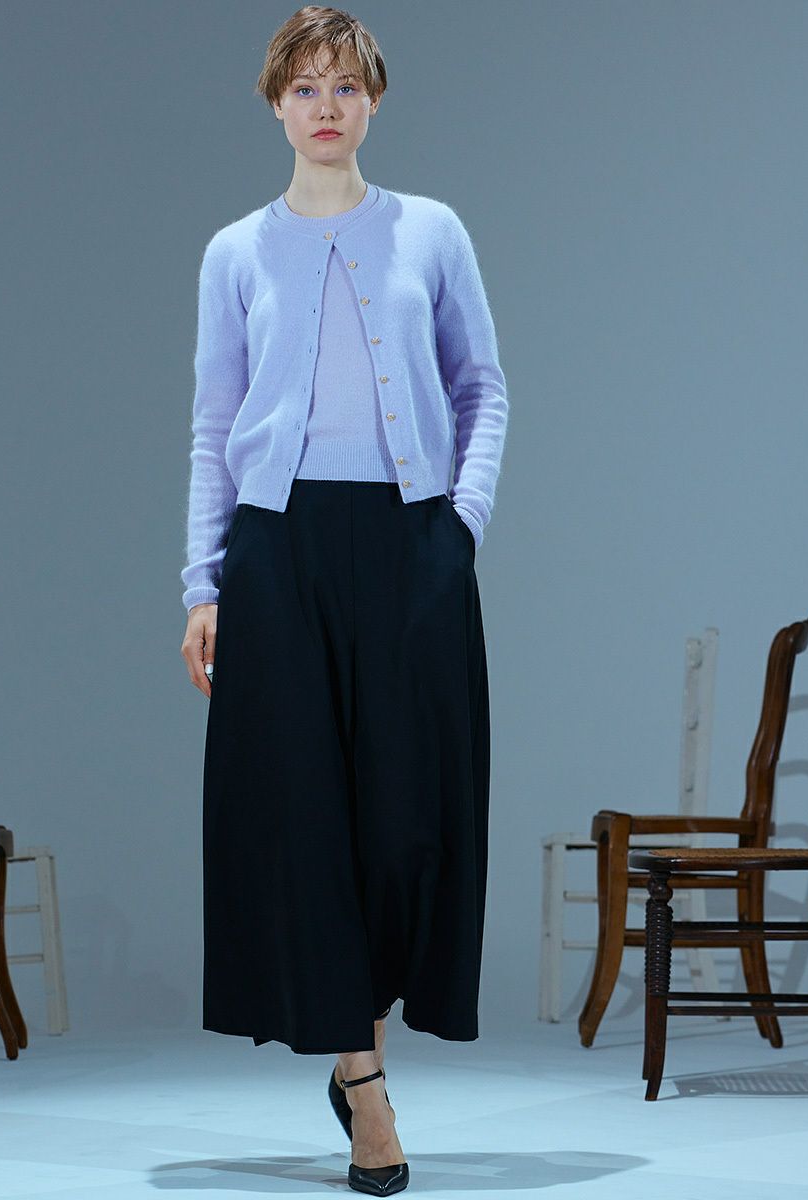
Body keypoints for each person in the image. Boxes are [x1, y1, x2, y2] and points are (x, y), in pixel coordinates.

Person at [180, 7, 508, 1195]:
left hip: (411, 543)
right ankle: (363, 1085)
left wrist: (458, 529)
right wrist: (203, 582)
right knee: (303, 817)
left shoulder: (431, 231)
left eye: (345, 86)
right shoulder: (235, 252)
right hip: (276, 550)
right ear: (276, 103)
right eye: (305, 87)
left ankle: (363, 1043)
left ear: (373, 101)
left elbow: (483, 388)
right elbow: (215, 425)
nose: (326, 106)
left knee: (408, 814)